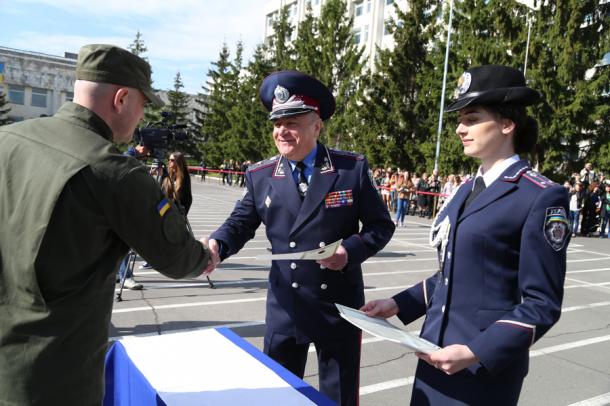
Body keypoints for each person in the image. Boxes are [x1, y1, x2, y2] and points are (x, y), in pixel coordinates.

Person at [0, 44, 211, 405]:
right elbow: (177, 258)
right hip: (53, 376)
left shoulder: (8, 139)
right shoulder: (114, 170)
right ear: (122, 98)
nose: (142, 117)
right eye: (143, 105)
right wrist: (205, 256)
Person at [361, 65, 570, 405]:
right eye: (459, 120)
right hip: (434, 356)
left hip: (482, 371)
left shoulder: (540, 196)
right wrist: (398, 304)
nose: (459, 129)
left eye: (471, 119)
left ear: (506, 123)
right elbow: (453, 273)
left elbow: (541, 304)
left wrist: (475, 351)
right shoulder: (466, 189)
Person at [204, 70, 395, 406]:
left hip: (338, 306)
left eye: (291, 122)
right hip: (286, 306)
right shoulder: (261, 175)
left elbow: (381, 226)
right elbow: (240, 223)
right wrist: (218, 245)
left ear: (316, 125)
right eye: (277, 123)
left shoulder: (350, 169)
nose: (282, 131)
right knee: (279, 396)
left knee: (338, 397)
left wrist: (349, 251)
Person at [162, 151, 193, 216]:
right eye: (169, 159)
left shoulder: (184, 178)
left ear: (178, 162)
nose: (169, 161)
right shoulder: (167, 175)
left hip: (176, 214)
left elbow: (188, 199)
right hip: (165, 211)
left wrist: (183, 215)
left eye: (172, 160)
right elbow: (162, 194)